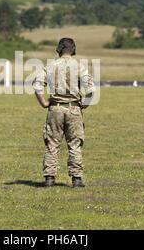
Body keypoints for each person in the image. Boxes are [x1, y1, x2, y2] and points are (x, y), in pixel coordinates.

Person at [33, 37, 95, 188]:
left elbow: (37, 85)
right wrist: (84, 105)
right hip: (74, 108)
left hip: (55, 108)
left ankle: (49, 178)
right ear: (73, 50)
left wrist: (44, 103)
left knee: (52, 143)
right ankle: (77, 179)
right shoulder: (80, 67)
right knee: (75, 144)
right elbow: (91, 90)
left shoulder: (50, 66)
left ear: (59, 49)